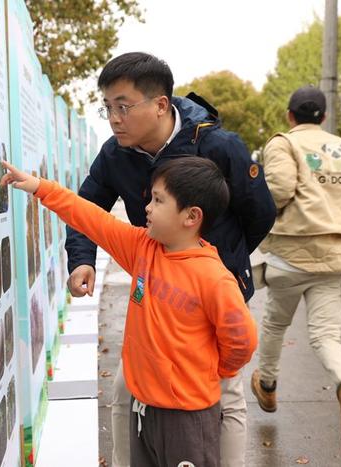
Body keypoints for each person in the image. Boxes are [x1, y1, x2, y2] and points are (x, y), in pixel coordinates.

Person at [64, 52, 276, 467]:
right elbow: (87, 206)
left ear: (160, 104)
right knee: (127, 392)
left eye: (123, 106)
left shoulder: (219, 147)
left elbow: (260, 214)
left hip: (212, 296)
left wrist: (216, 267)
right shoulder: (115, 154)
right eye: (107, 107)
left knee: (225, 395)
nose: (113, 118)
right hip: (155, 300)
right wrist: (81, 258)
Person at [1, 157, 258, 466]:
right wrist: (40, 188)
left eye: (159, 200)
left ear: (191, 216)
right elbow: (92, 218)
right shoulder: (143, 248)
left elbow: (242, 339)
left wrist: (218, 370)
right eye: (151, 197)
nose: (147, 207)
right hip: (143, 410)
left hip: (188, 418)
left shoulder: (213, 278)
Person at [250, 85, 341, 460]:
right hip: (334, 256)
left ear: (291, 116)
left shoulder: (283, 144)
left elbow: (279, 190)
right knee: (325, 334)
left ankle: (268, 385)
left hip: (290, 254)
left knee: (275, 324)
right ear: (322, 117)